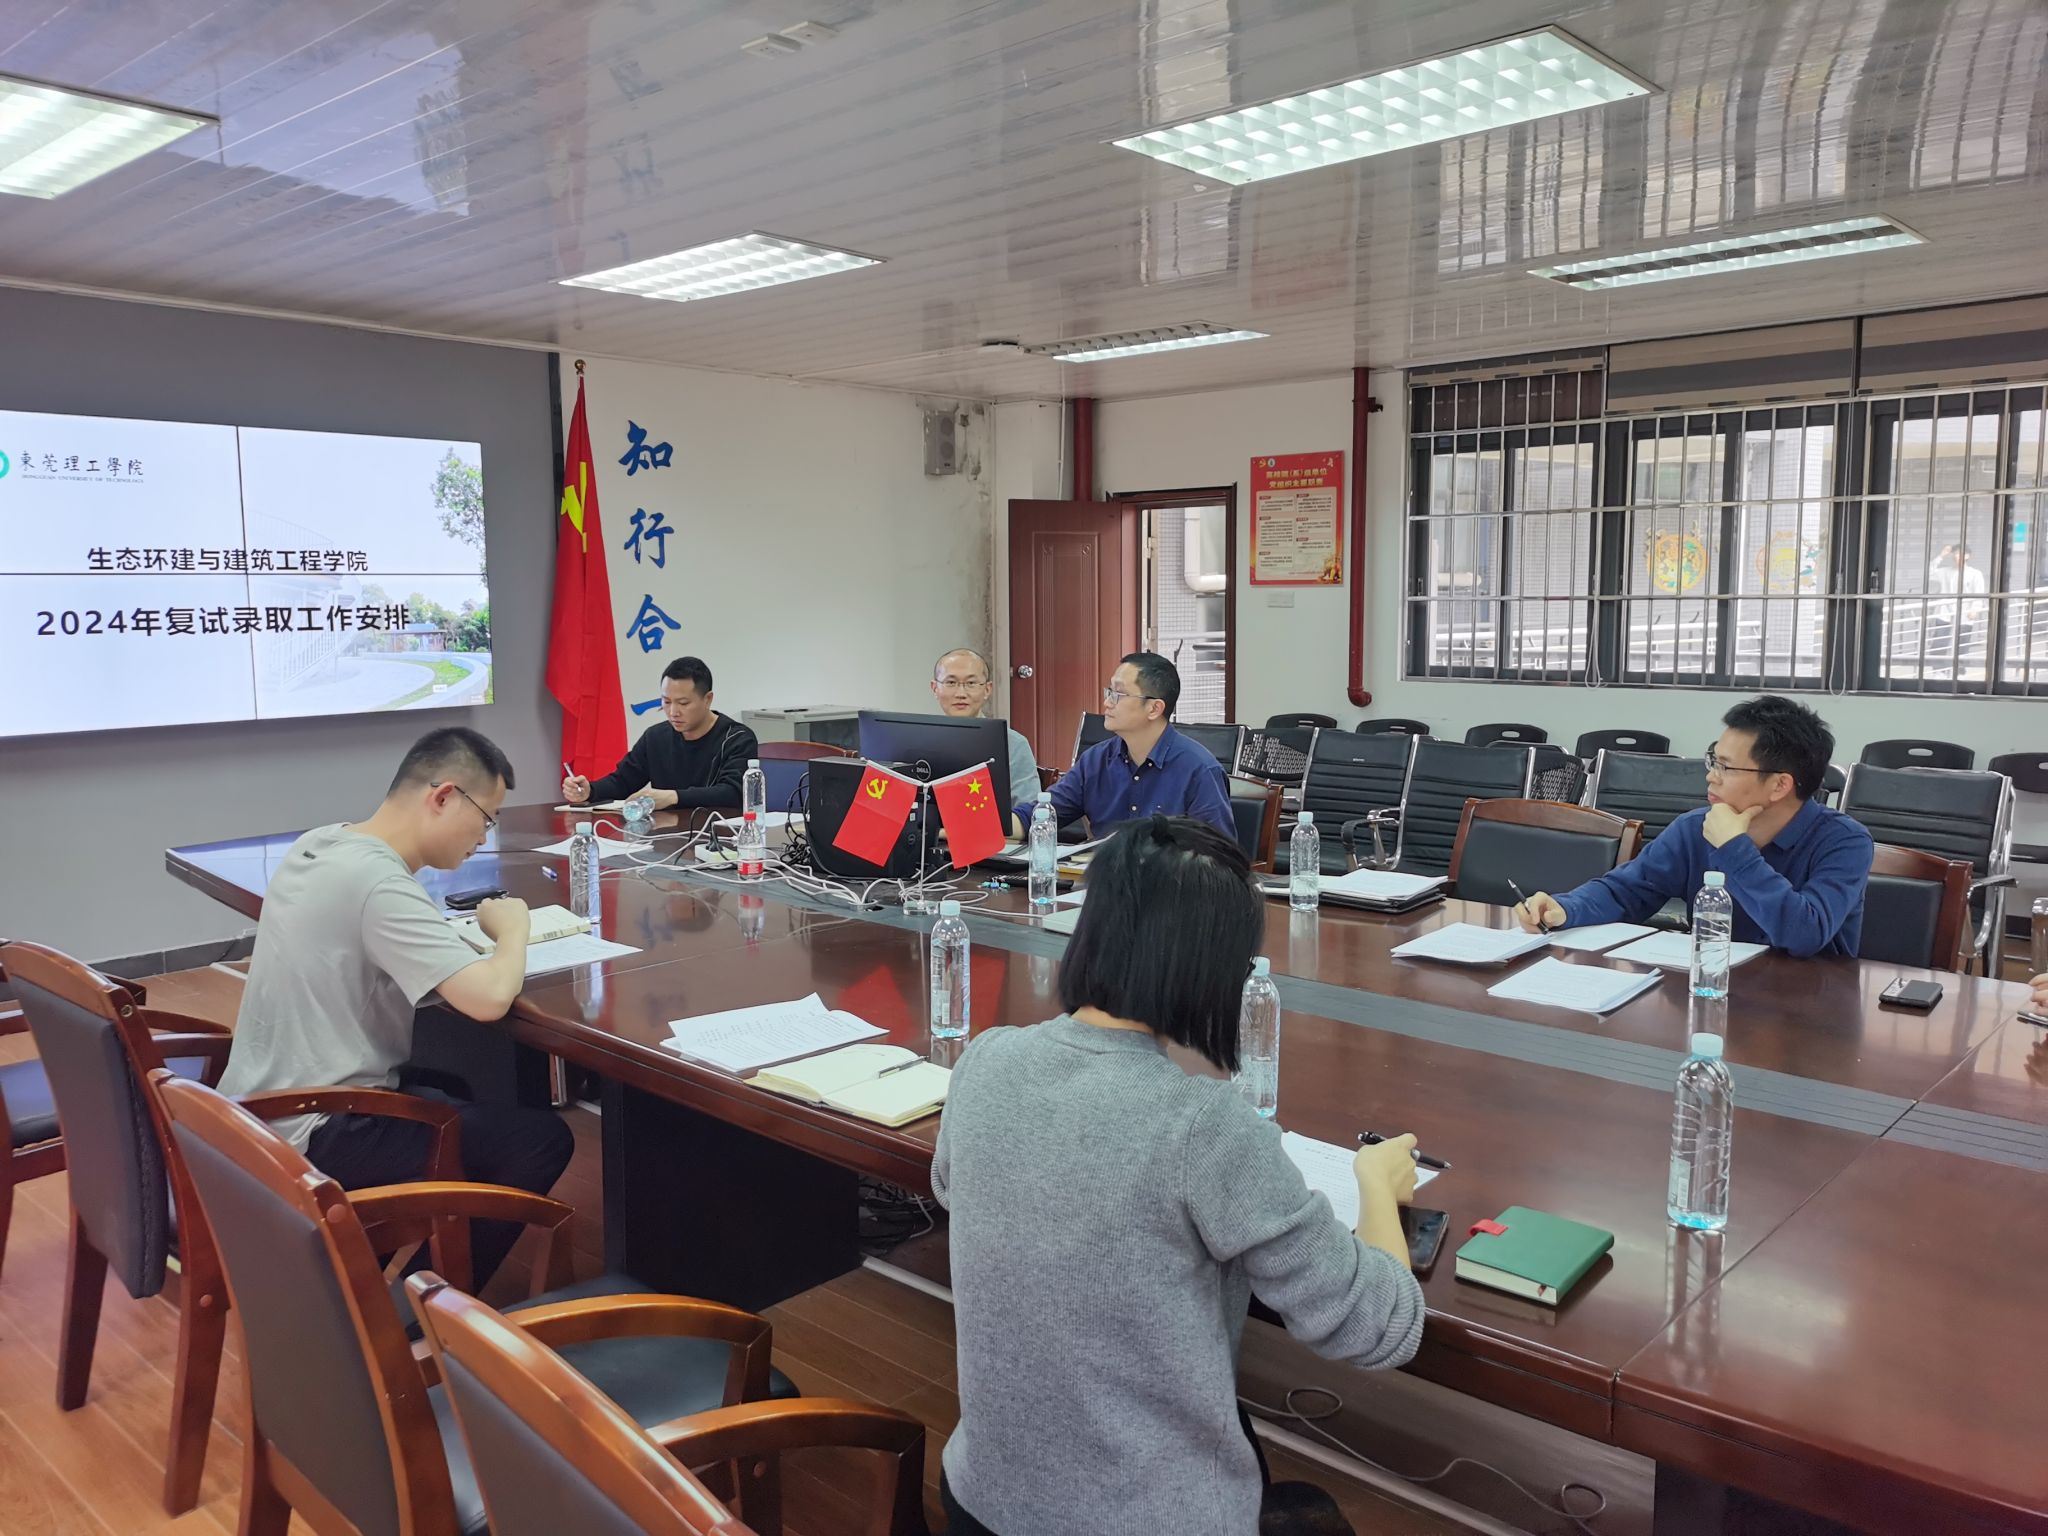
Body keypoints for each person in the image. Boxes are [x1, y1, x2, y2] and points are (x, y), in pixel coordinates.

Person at [932, 816, 1424, 1536]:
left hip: (983, 1500)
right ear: (1215, 969)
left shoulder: (987, 1058)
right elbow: (1380, 1326)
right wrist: (1376, 1182)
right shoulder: (1204, 1126)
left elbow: (952, 1188)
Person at [219, 727, 573, 1284]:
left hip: (253, 1108)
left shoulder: (322, 842)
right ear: (444, 796)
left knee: (451, 1091)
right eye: (487, 818)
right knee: (539, 1141)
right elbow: (487, 999)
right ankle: (420, 1314)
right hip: (320, 1127)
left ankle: (370, 1274)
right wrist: (513, 929)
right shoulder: (379, 883)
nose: (484, 836)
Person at [1515, 695, 1872, 957]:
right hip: (1709, 988)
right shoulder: (1694, 828)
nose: (1711, 776)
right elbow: (1625, 892)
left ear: (1780, 785)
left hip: (1809, 1009)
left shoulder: (1845, 842)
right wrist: (1566, 908)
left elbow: (1804, 934)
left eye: (1726, 767)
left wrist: (1734, 848)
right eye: (1713, 761)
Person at [1025, 651, 1234, 838]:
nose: (1107, 702)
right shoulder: (1095, 761)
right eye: (1109, 691)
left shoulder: (1199, 770)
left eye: (1118, 694)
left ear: (1154, 708)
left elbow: (1217, 856)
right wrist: (1010, 825)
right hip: (1104, 870)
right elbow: (1040, 814)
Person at [562, 655, 757, 809]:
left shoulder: (737, 738)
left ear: (707, 699)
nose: (673, 712)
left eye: (683, 703)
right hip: (665, 837)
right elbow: (623, 781)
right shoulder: (655, 737)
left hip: (718, 835)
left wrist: (673, 797)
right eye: (666, 702)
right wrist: (590, 790)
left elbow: (733, 793)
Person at [931, 646, 1041, 814]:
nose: (961, 693)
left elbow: (1028, 811)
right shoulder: (920, 740)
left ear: (987, 690)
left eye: (971, 683)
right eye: (951, 683)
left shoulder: (1012, 744)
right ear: (935, 688)